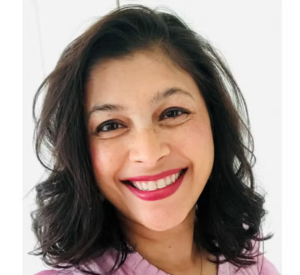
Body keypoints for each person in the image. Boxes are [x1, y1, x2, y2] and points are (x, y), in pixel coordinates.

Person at [31, 4, 280, 275]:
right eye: (110, 125)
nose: (149, 154)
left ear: (214, 121)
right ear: (79, 152)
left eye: (173, 113)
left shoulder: (247, 256)